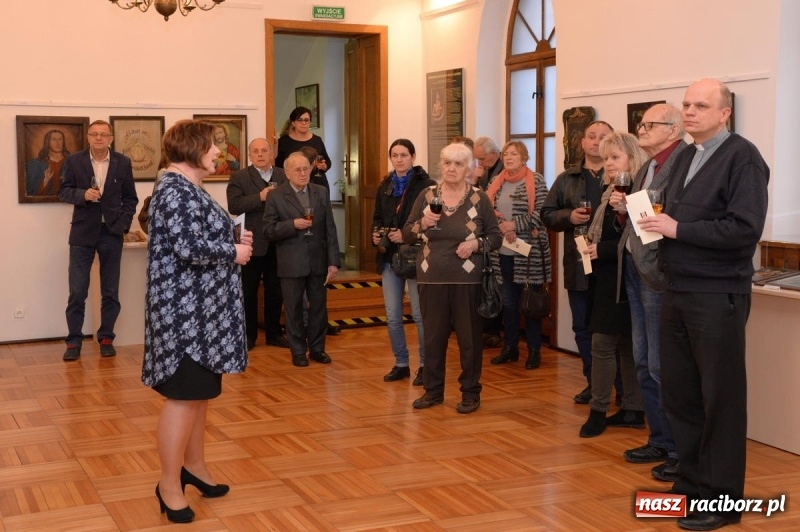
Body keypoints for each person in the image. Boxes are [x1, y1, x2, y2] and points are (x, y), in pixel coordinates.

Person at [638, 79, 769, 531]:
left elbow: (743, 229)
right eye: (687, 105)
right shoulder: (688, 155)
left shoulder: (743, 157)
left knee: (721, 400)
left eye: (701, 105)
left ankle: (723, 501)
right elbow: (674, 216)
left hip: (718, 294)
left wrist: (677, 229)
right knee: (682, 395)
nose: (690, 112)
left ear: (724, 113)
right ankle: (692, 487)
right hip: (677, 288)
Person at [142, 119, 253, 524]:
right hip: (184, 316)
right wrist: (233, 252)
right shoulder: (173, 189)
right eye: (211, 145)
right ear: (192, 148)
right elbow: (188, 248)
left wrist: (233, 242)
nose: (218, 152)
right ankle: (168, 485)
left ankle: (196, 468)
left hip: (201, 315)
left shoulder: (188, 186)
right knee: (184, 397)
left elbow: (196, 238)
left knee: (199, 395)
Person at [611, 104, 687, 481]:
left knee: (661, 365)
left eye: (648, 124)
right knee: (642, 361)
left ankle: (677, 448)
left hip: (658, 274)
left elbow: (675, 217)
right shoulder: (647, 165)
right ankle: (658, 438)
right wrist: (621, 210)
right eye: (640, 123)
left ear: (672, 130)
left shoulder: (684, 163)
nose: (641, 129)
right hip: (635, 271)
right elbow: (642, 215)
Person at [402, 142, 502, 414]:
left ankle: (470, 393)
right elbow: (407, 233)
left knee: (469, 340)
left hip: (467, 280)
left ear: (469, 168)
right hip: (431, 276)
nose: (451, 169)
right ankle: (433, 392)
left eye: (458, 164)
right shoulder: (426, 195)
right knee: (433, 338)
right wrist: (422, 223)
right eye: (447, 163)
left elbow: (495, 237)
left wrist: (475, 245)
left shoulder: (478, 198)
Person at [542, 120, 623, 404]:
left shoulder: (621, 176)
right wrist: (569, 217)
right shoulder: (566, 178)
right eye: (591, 136)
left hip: (612, 267)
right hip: (578, 265)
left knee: (613, 330)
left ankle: (621, 388)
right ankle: (593, 382)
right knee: (582, 328)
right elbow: (547, 215)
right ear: (582, 142)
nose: (597, 142)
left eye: (603, 137)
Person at [578, 132, 647, 438]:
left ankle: (599, 410)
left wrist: (601, 249)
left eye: (615, 157)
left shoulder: (639, 192)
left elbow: (642, 236)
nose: (608, 163)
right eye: (606, 157)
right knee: (622, 347)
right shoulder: (610, 192)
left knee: (605, 346)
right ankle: (632, 409)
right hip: (607, 278)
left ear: (632, 159)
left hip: (627, 278)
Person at [58, 120, 138, 361]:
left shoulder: (122, 162)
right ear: (89, 138)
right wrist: (82, 194)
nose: (99, 138)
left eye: (104, 135)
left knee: (110, 290)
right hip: (83, 234)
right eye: (95, 134)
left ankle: (106, 338)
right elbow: (63, 191)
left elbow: (131, 199)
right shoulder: (74, 161)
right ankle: (73, 341)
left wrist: (123, 225)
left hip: (111, 232)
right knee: (77, 291)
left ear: (111, 138)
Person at [264, 151, 340, 367]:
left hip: (318, 260)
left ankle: (317, 349)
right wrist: (292, 225)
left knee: (318, 308)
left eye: (306, 168)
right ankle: (298, 351)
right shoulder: (276, 196)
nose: (303, 173)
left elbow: (330, 229)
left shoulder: (321, 192)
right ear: (287, 173)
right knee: (294, 308)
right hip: (290, 261)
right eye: (297, 169)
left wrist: (333, 261)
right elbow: (268, 230)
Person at [372, 139, 435, 385]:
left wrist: (408, 234)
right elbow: (377, 216)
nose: (398, 160)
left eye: (403, 155)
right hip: (389, 257)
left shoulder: (426, 186)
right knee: (392, 315)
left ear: (413, 156)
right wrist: (376, 233)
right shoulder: (385, 185)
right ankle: (401, 363)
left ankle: (425, 366)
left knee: (420, 315)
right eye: (394, 155)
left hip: (415, 256)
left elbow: (433, 222)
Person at [486, 141, 551, 370]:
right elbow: (488, 210)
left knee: (530, 303)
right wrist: (503, 225)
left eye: (514, 154)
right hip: (503, 250)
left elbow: (542, 213)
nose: (509, 157)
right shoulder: (497, 181)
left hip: (528, 253)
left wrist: (515, 224)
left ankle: (534, 351)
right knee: (510, 303)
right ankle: (510, 348)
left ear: (524, 157)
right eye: (506, 154)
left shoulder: (536, 180)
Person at [227, 138, 290, 351]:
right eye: (256, 151)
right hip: (251, 243)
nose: (261, 154)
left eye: (264, 150)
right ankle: (249, 336)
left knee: (275, 291)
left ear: (271, 153)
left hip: (278, 241)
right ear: (250, 155)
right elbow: (234, 205)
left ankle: (274, 333)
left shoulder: (283, 175)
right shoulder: (239, 176)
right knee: (248, 292)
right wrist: (260, 197)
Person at [275, 106, 331, 188]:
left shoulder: (317, 140)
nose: (304, 123)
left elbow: (328, 162)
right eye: (300, 120)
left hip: (318, 184)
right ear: (293, 123)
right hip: (293, 185)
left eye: (306, 120)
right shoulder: (284, 141)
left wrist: (324, 166)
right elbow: (278, 166)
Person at [26, 129, 70, 196]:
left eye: (60, 139)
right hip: (43, 205)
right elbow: (30, 192)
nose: (58, 143)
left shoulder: (71, 161)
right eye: (54, 139)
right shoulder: (36, 164)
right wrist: (45, 180)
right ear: (47, 142)